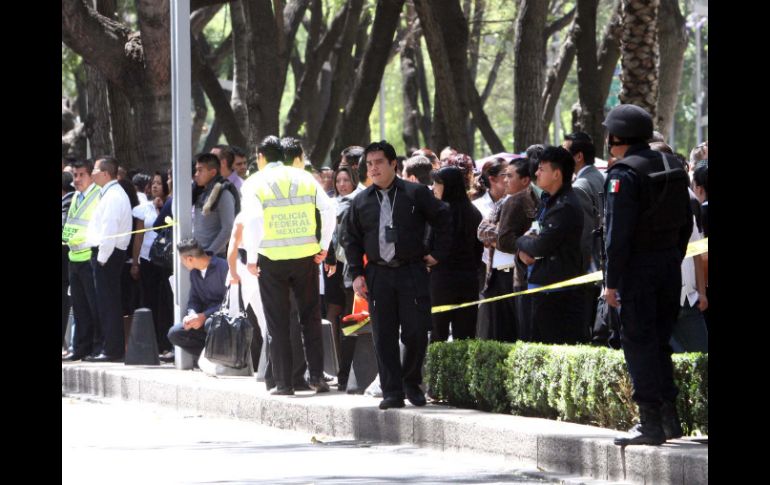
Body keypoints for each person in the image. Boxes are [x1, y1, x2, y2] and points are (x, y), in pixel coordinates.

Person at [602, 104, 692, 446]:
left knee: (638, 343)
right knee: (660, 341)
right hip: (669, 267)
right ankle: (670, 419)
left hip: (637, 272)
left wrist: (611, 283)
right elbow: (686, 222)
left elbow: (616, 237)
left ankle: (649, 423)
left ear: (616, 137)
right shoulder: (672, 165)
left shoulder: (623, 174)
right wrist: (672, 258)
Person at [345, 140, 452, 410]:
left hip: (411, 271)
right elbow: (351, 240)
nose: (374, 168)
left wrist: (437, 252)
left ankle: (411, 382)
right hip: (378, 275)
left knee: (416, 331)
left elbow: (444, 218)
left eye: (379, 162)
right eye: (369, 164)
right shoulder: (360, 202)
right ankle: (391, 391)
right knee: (383, 335)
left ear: (394, 163)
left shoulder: (415, 194)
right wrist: (357, 273)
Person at [240, 135, 336, 395]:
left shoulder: (253, 183)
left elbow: (254, 220)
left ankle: (284, 383)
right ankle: (317, 376)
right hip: (306, 257)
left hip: (271, 260)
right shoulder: (304, 176)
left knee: (278, 322)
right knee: (311, 317)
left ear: (261, 157)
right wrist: (323, 246)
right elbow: (328, 211)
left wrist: (251, 258)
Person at [516, 146, 586, 345]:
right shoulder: (547, 201)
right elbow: (535, 235)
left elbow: (540, 246)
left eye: (541, 169)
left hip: (557, 294)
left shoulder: (565, 205)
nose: (536, 173)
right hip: (541, 287)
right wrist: (524, 248)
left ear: (557, 174)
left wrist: (519, 241)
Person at [85, 156, 133, 362]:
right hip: (106, 253)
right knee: (105, 302)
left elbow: (109, 229)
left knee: (109, 303)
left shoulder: (114, 195)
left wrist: (103, 258)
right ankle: (108, 346)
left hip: (109, 254)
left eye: (95, 170)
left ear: (105, 173)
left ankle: (112, 349)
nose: (92, 173)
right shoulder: (108, 193)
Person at [428, 166, 483, 342]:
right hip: (468, 280)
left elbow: (429, 246)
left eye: (437, 183)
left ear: (449, 186)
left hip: (441, 280)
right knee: (465, 335)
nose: (433, 187)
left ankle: (437, 369)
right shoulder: (474, 212)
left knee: (438, 333)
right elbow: (478, 249)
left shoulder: (438, 213)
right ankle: (463, 370)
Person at [62, 160, 102, 361]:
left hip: (89, 257)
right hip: (73, 257)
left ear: (90, 175)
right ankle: (80, 348)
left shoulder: (98, 195)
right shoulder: (76, 196)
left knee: (93, 306)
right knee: (79, 307)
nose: (77, 180)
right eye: (75, 175)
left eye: (81, 175)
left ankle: (96, 347)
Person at [167, 239, 230, 360]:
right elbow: (194, 300)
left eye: (182, 260)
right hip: (203, 318)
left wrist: (204, 316)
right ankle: (209, 357)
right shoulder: (194, 273)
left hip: (222, 319)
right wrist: (192, 314)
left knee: (210, 323)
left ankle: (220, 357)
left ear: (190, 259)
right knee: (175, 333)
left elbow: (229, 301)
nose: (181, 263)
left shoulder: (223, 267)